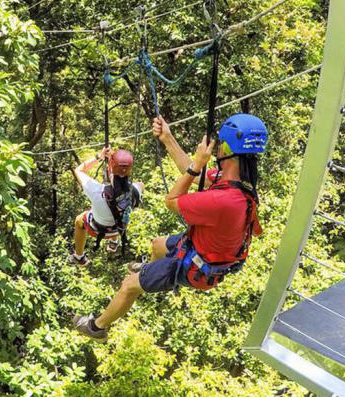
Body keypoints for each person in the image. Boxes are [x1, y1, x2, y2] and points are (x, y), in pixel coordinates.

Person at [73, 113, 267, 341]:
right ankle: (147, 270)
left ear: (223, 148)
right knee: (157, 245)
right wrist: (167, 138)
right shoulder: (238, 180)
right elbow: (190, 171)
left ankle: (97, 327)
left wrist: (197, 164)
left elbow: (171, 201)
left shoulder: (223, 199)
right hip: (204, 249)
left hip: (198, 266)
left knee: (128, 286)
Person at [70, 147, 143, 266]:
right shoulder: (136, 190)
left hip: (97, 230)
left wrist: (99, 156)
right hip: (118, 230)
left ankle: (79, 256)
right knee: (117, 212)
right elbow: (136, 184)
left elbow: (78, 170)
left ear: (112, 170)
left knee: (79, 220)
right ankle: (114, 242)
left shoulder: (96, 191)